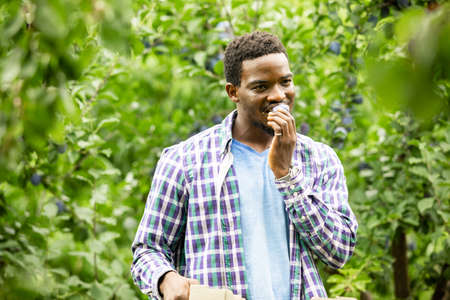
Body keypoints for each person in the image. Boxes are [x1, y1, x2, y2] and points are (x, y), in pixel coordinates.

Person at [131, 31, 358, 300]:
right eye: (261, 87)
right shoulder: (184, 161)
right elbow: (147, 250)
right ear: (233, 92)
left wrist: (287, 176)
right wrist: (165, 280)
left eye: (285, 82)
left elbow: (339, 251)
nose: (278, 95)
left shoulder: (320, 159)